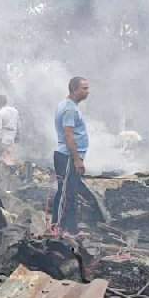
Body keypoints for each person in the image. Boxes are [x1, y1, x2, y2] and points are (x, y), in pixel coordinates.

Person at [51, 77, 90, 236]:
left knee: (65, 192)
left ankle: (58, 226)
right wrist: (77, 159)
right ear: (74, 89)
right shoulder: (70, 109)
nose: (88, 92)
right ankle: (69, 230)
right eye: (84, 88)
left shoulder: (68, 106)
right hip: (67, 157)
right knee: (69, 193)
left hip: (67, 156)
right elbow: (69, 136)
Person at [0, 94, 20, 165]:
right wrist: (18, 136)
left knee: (2, 160)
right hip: (11, 138)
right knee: (10, 159)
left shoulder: (0, 113)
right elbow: (19, 125)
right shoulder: (15, 111)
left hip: (3, 139)